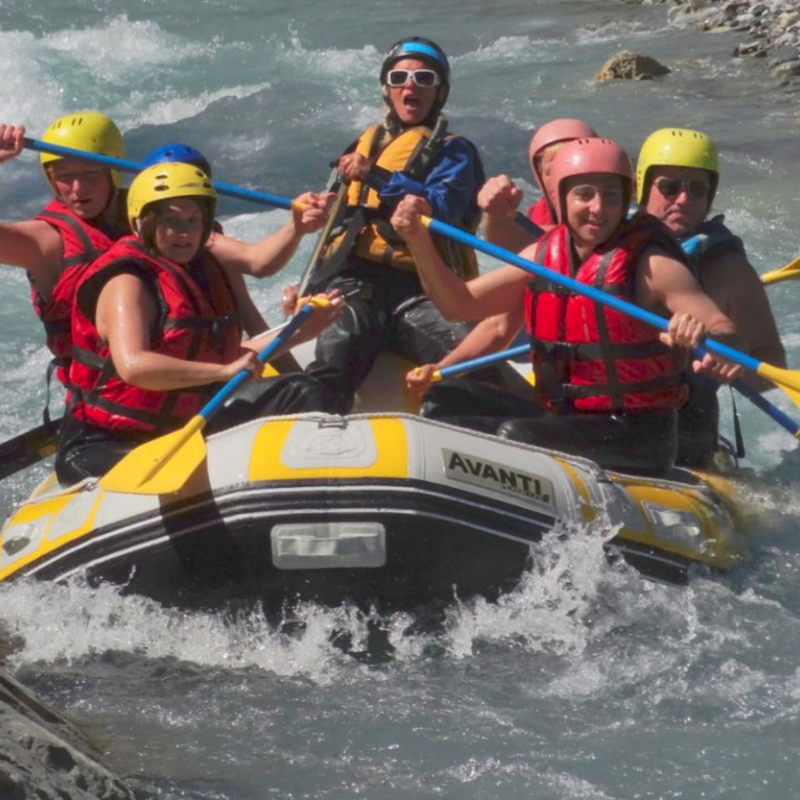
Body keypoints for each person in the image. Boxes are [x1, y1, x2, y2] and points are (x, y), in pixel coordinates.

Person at [391, 137, 744, 475]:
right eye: (584, 195)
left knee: (517, 437)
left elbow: (722, 327)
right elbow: (460, 305)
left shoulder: (653, 265)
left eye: (610, 196)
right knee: (443, 400)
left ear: (625, 200)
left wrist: (713, 342)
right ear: (561, 199)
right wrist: (418, 240)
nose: (598, 208)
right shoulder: (542, 256)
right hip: (563, 415)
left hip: (637, 434)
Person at [56, 162, 342, 485]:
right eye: (172, 221)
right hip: (107, 444)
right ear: (142, 223)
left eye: (194, 221)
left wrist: (298, 332)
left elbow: (227, 355)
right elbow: (134, 366)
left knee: (303, 392)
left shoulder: (197, 268)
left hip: (178, 425)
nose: (186, 232)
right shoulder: (126, 280)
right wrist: (221, 374)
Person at [0, 120, 333, 395]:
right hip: (109, 390)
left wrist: (295, 226)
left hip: (185, 378)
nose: (76, 188)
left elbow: (258, 262)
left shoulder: (162, 214)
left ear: (113, 172)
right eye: (64, 176)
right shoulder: (45, 240)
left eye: (90, 175)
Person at [299, 37, 487, 415]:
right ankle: (312, 426)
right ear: (387, 89)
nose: (411, 85)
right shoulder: (363, 144)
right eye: (400, 76)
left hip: (421, 287)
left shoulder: (455, 152)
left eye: (424, 78)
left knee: (469, 367)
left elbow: (444, 208)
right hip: (355, 283)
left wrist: (379, 178)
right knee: (334, 360)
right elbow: (338, 223)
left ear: (439, 91)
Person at [637, 128, 786, 467]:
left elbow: (773, 362)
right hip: (603, 408)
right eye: (670, 187)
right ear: (643, 187)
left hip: (685, 424)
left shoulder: (727, 268)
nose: (684, 200)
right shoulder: (609, 244)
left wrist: (731, 366)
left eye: (697, 190)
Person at [479, 118, 598, 253]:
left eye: (573, 168)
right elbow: (513, 244)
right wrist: (497, 214)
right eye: (552, 171)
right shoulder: (542, 211)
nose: (562, 178)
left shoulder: (607, 211)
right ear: (539, 175)